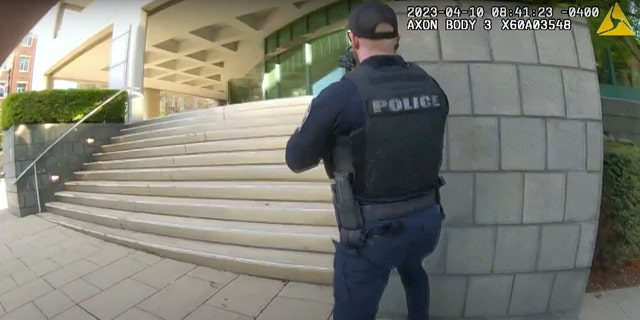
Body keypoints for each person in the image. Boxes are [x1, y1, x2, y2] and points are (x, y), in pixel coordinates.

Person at [285, 1, 449, 319]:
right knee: (414, 271)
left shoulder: (341, 94)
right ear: (397, 40)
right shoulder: (431, 85)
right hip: (427, 220)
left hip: (374, 233)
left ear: (353, 39)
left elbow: (296, 158)